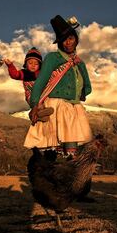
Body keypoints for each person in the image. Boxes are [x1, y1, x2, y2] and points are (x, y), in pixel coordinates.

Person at [24, 15, 93, 156]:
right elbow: (41, 81)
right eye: (63, 40)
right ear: (59, 43)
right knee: (55, 150)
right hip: (57, 107)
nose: (67, 43)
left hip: (74, 108)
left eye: (71, 39)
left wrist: (82, 92)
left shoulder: (79, 62)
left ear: (76, 39)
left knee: (73, 151)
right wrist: (35, 104)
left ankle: (72, 176)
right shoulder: (52, 58)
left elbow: (87, 85)